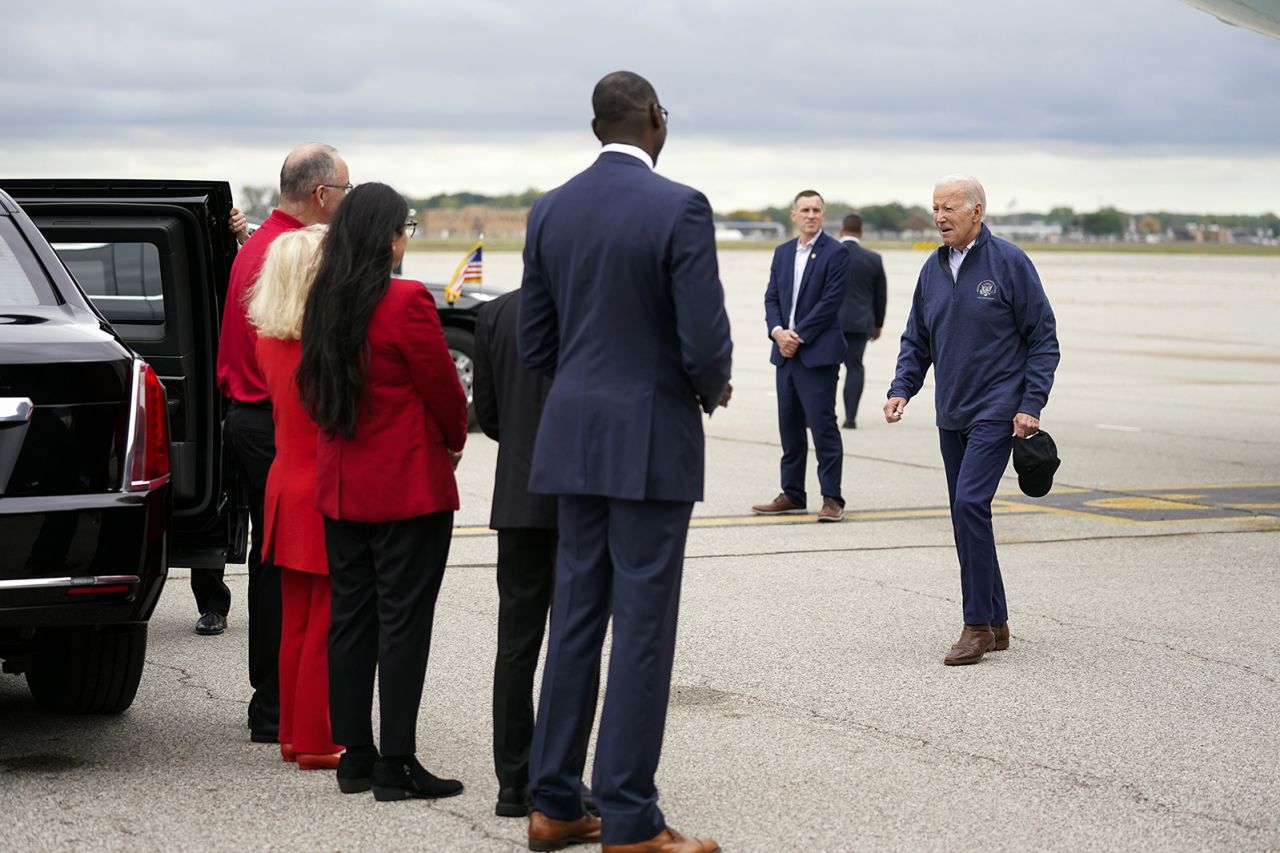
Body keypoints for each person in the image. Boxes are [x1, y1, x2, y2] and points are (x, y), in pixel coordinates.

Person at [519, 70, 732, 853]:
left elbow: (538, 344)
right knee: (642, 627)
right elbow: (705, 343)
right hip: (649, 441)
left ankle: (553, 801)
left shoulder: (551, 209)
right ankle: (631, 817)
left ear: (593, 127)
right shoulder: (679, 205)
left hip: (573, 439)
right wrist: (710, 388)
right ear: (651, 118)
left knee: (575, 617)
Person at [296, 182, 468, 801]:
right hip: (405, 489)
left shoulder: (324, 299)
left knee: (352, 621)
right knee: (403, 625)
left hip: (344, 487)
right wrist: (454, 440)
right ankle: (396, 762)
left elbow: (312, 393)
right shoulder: (405, 299)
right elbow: (445, 390)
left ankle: (355, 757)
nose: (405, 240)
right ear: (389, 236)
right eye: (406, 230)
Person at [202, 141, 350, 747]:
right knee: (286, 566)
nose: (346, 202)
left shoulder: (260, 247)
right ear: (322, 194)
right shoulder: (290, 255)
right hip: (275, 423)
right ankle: (277, 705)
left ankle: (281, 704)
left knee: (276, 563)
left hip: (251, 417)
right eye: (345, 190)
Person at [884, 175, 1059, 666]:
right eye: (935, 208)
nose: (939, 216)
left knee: (968, 504)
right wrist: (902, 388)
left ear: (976, 211)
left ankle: (976, 625)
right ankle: (998, 621)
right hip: (952, 411)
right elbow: (915, 338)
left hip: (996, 409)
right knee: (968, 516)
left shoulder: (1009, 263)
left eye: (949, 208)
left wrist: (1031, 402)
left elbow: (1044, 337)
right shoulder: (932, 269)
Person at [474, 289, 601, 820]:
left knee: (516, 645)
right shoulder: (588, 309)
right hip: (576, 498)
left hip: (520, 494)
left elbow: (489, 413)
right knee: (572, 645)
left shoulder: (496, 311)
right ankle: (559, 776)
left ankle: (512, 779)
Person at [245, 225, 343, 770]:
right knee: (326, 618)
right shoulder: (322, 346)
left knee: (297, 619)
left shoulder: (269, 338)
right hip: (321, 485)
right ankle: (316, 738)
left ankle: (290, 731)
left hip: (287, 481)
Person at [751, 190, 850, 522]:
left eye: (817, 210)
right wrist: (778, 331)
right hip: (785, 354)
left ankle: (832, 499)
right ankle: (792, 493)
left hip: (817, 355)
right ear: (794, 215)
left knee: (822, 428)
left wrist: (798, 335)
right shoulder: (781, 253)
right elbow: (771, 298)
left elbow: (830, 302)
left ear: (823, 215)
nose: (811, 215)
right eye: (805, 210)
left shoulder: (835, 253)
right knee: (789, 427)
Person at [836, 213, 887, 429]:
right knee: (855, 367)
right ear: (861, 232)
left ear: (841, 231)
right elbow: (880, 296)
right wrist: (878, 324)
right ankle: (851, 417)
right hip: (859, 323)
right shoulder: (873, 259)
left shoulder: (829, 254)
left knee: (826, 369)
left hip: (830, 323)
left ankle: (818, 415)